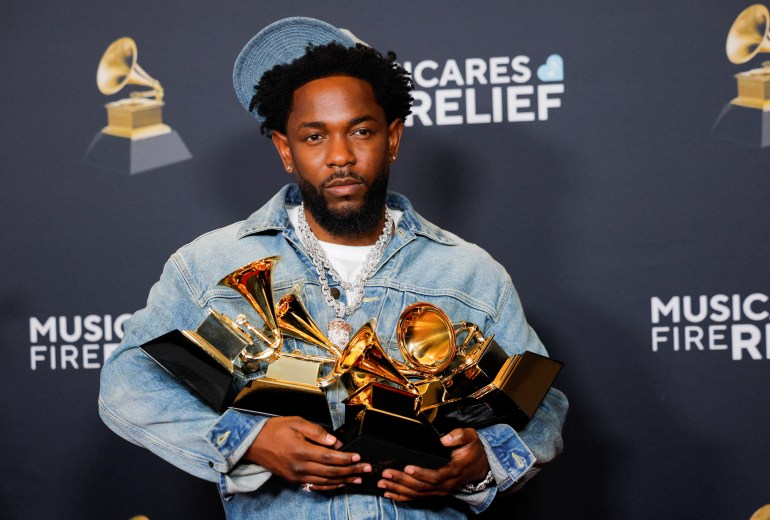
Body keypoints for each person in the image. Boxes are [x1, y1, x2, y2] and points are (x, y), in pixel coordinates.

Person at [98, 16, 568, 519]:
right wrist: (249, 440)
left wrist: (481, 463)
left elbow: (542, 406)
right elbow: (129, 381)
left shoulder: (471, 272)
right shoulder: (208, 265)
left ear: (392, 138)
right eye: (315, 137)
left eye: (360, 131)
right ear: (285, 150)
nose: (340, 156)